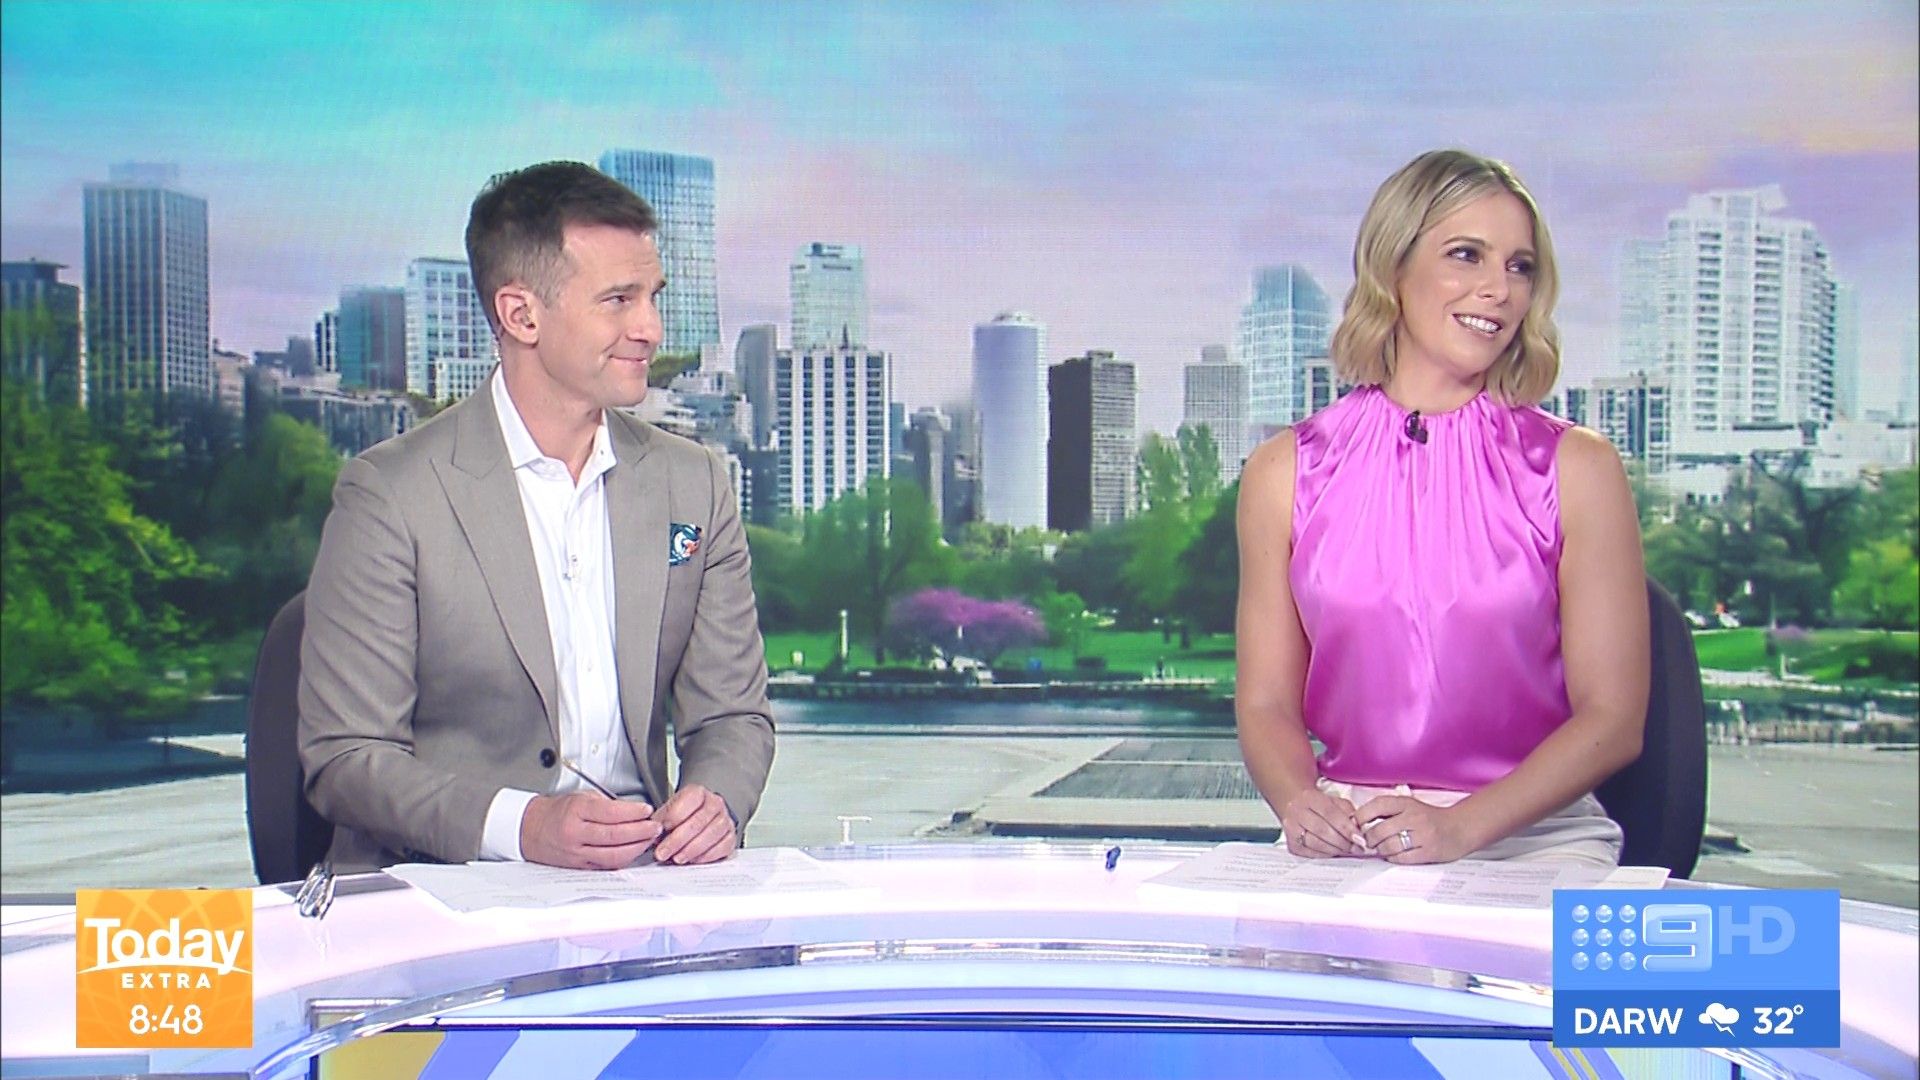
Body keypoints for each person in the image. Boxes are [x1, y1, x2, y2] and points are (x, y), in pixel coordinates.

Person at [298, 161, 775, 874]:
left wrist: (716, 800)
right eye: (618, 300)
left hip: (646, 883)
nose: (650, 328)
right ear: (521, 315)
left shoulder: (694, 484)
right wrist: (522, 827)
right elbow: (346, 758)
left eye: (653, 297)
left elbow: (732, 717)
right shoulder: (389, 496)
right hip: (449, 885)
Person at [1235, 149, 1648, 866]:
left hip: (1533, 835)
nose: (1500, 290)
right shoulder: (1285, 471)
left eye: (1520, 267)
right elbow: (1266, 702)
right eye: (1467, 255)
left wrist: (1459, 827)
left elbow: (1613, 720)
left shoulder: (1578, 469)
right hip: (1351, 828)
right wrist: (1301, 803)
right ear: (1393, 267)